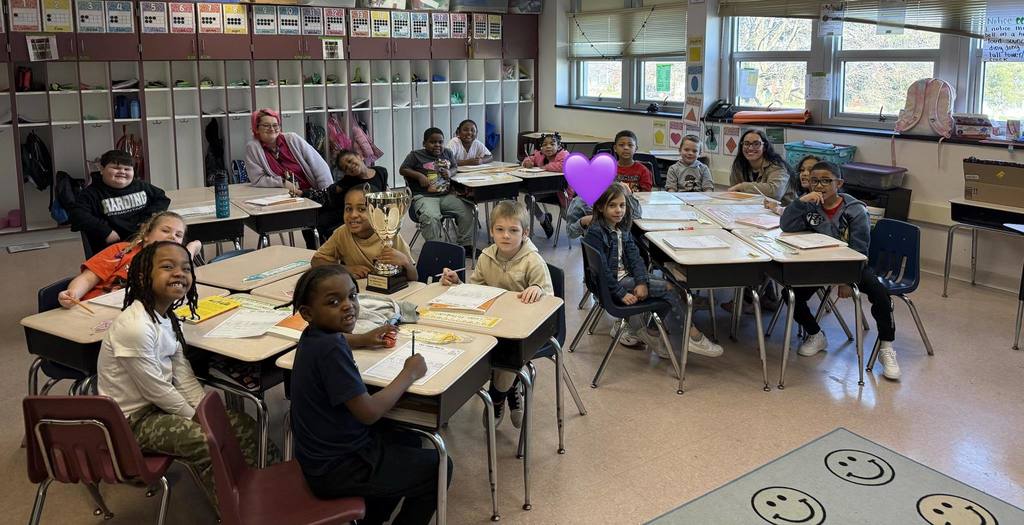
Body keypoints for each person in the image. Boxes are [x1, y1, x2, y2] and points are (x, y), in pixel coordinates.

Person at [96, 241, 268, 508]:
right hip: (132, 422)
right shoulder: (135, 327)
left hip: (159, 408)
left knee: (243, 424)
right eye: (167, 267)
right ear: (143, 276)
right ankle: (236, 511)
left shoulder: (165, 317)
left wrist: (203, 411)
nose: (179, 273)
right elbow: (156, 390)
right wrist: (197, 419)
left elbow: (182, 374)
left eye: (186, 268)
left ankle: (266, 488)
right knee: (207, 441)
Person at [289, 266, 450, 525]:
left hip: (322, 458)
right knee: (440, 467)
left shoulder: (315, 336)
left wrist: (362, 339)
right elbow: (369, 413)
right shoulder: (331, 349)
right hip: (338, 468)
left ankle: (372, 519)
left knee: (409, 440)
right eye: (334, 302)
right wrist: (409, 373)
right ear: (307, 313)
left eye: (352, 296)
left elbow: (339, 338)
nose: (348, 306)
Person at [780, 161, 901, 379]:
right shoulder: (809, 204)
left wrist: (846, 280)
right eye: (815, 180)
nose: (820, 186)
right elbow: (787, 226)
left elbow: (860, 248)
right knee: (790, 294)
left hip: (852, 265)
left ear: (839, 183)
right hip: (819, 263)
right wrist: (799, 202)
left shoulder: (855, 210)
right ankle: (816, 334)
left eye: (826, 181)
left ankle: (886, 345)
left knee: (880, 294)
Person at [439, 201, 552, 428]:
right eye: (500, 230)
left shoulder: (533, 261)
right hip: (491, 324)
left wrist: (538, 290)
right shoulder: (485, 257)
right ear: (491, 231)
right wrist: (458, 283)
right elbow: (476, 291)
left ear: (525, 233)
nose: (506, 236)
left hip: (521, 329)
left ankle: (497, 397)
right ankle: (510, 391)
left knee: (507, 353)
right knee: (462, 343)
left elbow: (550, 300)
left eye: (513, 230)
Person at [583, 184, 722, 359]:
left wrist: (641, 282)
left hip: (627, 278)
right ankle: (691, 336)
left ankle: (652, 333)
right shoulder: (596, 232)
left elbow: (635, 259)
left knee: (675, 289)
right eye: (612, 206)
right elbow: (602, 270)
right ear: (601, 207)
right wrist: (620, 293)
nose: (619, 210)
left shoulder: (621, 230)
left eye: (622, 205)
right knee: (669, 289)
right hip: (615, 285)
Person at [59, 211, 202, 306]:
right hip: (95, 307)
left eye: (178, 235)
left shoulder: (174, 264)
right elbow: (88, 278)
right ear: (146, 234)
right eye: (165, 231)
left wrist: (192, 247)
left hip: (131, 314)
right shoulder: (122, 250)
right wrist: (73, 293)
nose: (172, 236)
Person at [245, 108, 333, 249]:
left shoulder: (292, 139)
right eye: (266, 125)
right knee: (309, 229)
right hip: (289, 199)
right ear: (256, 128)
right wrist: (282, 183)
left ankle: (322, 257)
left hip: (313, 193)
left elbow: (319, 166)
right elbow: (257, 179)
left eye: (275, 125)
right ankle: (315, 256)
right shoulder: (253, 147)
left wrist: (326, 192)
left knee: (322, 227)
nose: (272, 128)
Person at [71, 149, 170, 255]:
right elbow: (77, 215)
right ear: (102, 169)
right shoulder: (91, 193)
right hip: (111, 247)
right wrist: (105, 231)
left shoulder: (141, 186)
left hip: (142, 243)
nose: (122, 172)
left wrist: (147, 219)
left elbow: (162, 198)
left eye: (127, 169)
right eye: (116, 168)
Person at [311, 184, 418, 283]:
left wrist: (405, 262)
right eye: (348, 209)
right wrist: (345, 269)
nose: (353, 215)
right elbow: (316, 260)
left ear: (376, 212)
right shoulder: (342, 233)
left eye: (361, 209)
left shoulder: (390, 234)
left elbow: (414, 277)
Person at [400, 127, 476, 257]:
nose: (437, 145)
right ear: (424, 144)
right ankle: (436, 249)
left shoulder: (447, 153)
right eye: (432, 142)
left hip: (445, 195)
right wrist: (419, 176)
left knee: (467, 209)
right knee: (431, 217)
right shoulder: (415, 155)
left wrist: (450, 172)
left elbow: (454, 167)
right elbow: (403, 169)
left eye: (440, 142)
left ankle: (466, 245)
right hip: (424, 197)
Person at [300, 149, 390, 241]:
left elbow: (385, 194)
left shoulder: (381, 171)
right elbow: (327, 193)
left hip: (374, 216)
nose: (350, 166)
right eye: (346, 168)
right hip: (350, 214)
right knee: (310, 223)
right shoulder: (348, 180)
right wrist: (303, 193)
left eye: (350, 161)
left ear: (359, 156)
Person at [728, 129, 796, 204]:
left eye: (756, 144)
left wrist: (742, 186)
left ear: (765, 147)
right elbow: (734, 193)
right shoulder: (739, 165)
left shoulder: (778, 166)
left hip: (783, 211)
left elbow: (774, 193)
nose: (750, 148)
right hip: (754, 209)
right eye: (746, 144)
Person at [521, 132, 568, 238]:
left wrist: (544, 167)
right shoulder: (539, 155)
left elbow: (562, 165)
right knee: (529, 198)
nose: (548, 147)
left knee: (566, 216)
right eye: (545, 144)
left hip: (562, 191)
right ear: (541, 148)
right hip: (546, 189)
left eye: (552, 144)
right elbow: (529, 158)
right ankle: (543, 220)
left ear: (559, 146)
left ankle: (586, 227)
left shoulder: (564, 154)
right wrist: (527, 162)